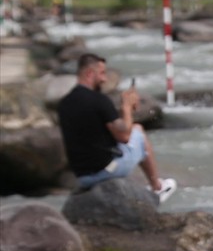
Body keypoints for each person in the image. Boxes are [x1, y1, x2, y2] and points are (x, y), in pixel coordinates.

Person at [58, 53, 175, 202]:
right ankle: (157, 187)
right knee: (138, 129)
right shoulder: (98, 100)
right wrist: (126, 106)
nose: (105, 79)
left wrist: (122, 111)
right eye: (102, 73)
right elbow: (124, 136)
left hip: (82, 177)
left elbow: (98, 128)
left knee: (129, 132)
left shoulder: (65, 103)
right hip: (105, 172)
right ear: (89, 73)